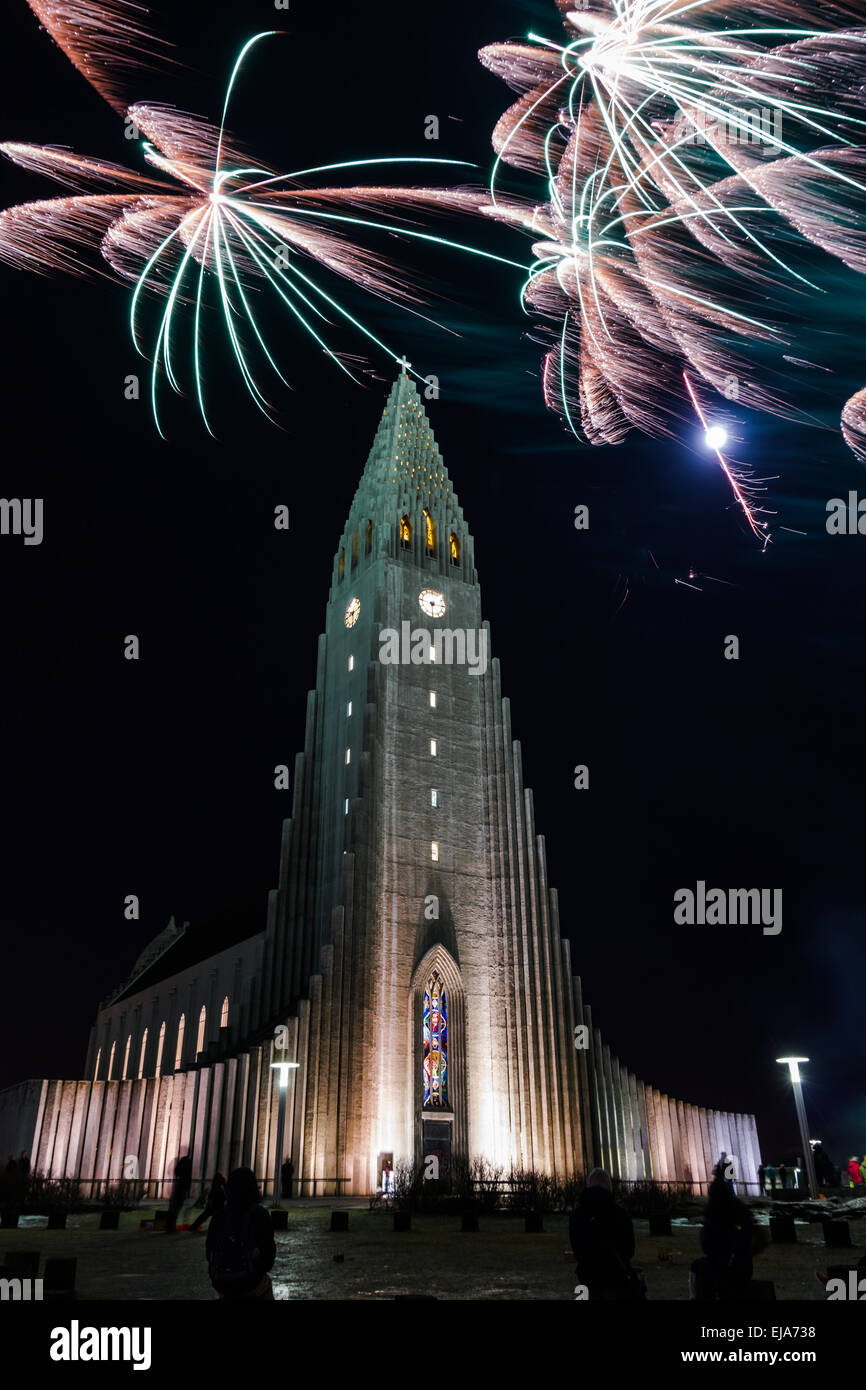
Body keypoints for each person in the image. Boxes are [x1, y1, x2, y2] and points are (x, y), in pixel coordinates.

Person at [569, 1169, 643, 1301]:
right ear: (609, 1186)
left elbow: (577, 1248)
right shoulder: (620, 1214)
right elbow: (629, 1250)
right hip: (616, 1278)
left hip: (589, 1278)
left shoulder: (577, 1216)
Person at [206, 1167, 276, 1299]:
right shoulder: (260, 1214)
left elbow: (209, 1252)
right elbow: (268, 1257)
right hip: (251, 1282)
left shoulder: (219, 1216)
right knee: (265, 1286)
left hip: (223, 1283)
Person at [691, 1177, 759, 1300]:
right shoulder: (738, 1210)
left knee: (699, 1269)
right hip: (737, 1263)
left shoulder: (716, 1213)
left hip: (728, 1264)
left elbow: (707, 1243)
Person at [166, 1153, 192, 1232]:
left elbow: (176, 1172)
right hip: (182, 1188)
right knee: (176, 1207)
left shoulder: (179, 1171)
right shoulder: (186, 1171)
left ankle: (170, 1226)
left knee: (173, 1207)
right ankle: (171, 1227)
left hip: (179, 1186)